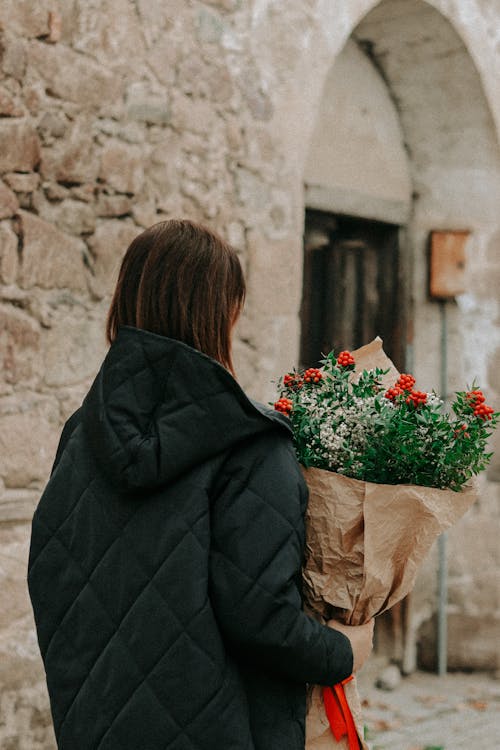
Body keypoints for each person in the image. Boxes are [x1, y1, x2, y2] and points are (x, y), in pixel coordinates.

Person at [28, 219, 373, 750]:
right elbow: (260, 619)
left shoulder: (82, 434)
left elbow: (54, 579)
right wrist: (345, 650)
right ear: (223, 313)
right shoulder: (251, 446)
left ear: (125, 302)